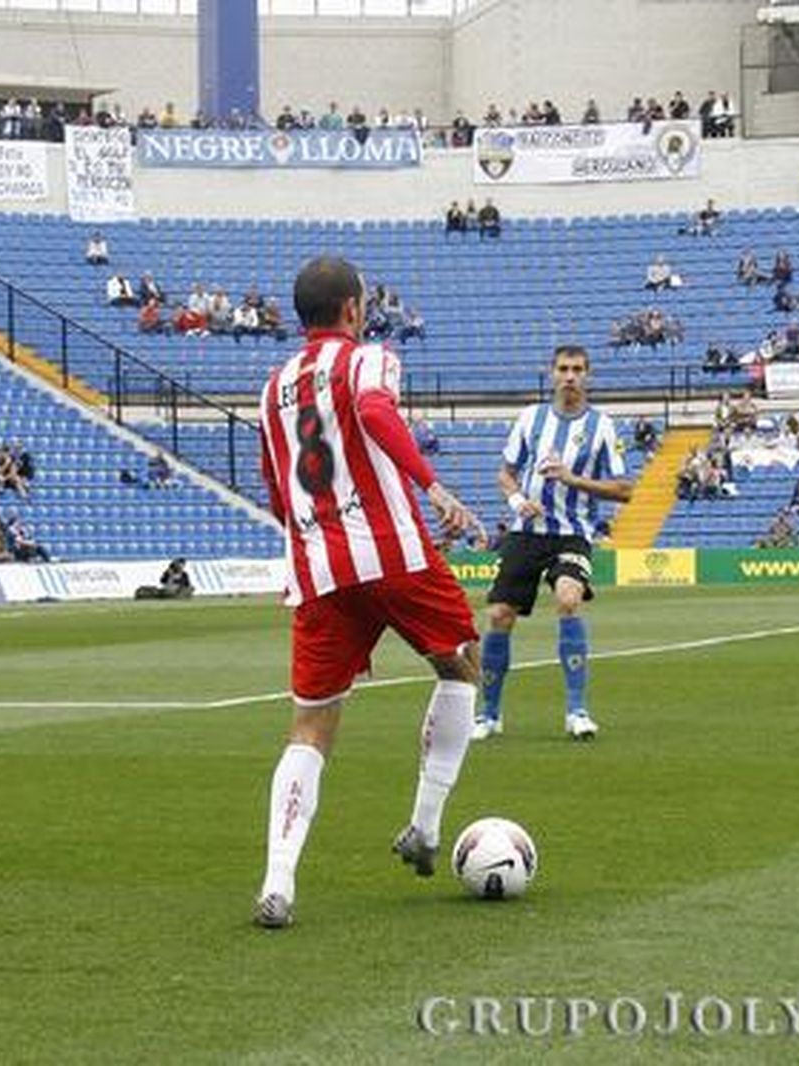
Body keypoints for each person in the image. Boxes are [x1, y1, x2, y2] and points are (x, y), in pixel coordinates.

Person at [251, 257, 482, 929]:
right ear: (354, 309)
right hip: (392, 550)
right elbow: (376, 410)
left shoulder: (271, 390)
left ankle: (278, 882)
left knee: (311, 725)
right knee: (461, 662)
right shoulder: (369, 360)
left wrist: (299, 559)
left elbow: (275, 488)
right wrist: (433, 485)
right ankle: (425, 826)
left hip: (319, 567)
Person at [474, 346, 633, 743]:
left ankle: (577, 711)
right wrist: (515, 501)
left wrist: (571, 478)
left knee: (567, 598)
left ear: (588, 376)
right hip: (526, 532)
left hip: (572, 532)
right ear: (551, 374)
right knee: (498, 615)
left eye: (577, 370)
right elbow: (506, 474)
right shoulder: (531, 418)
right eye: (563, 369)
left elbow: (624, 489)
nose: (570, 376)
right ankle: (489, 715)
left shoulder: (603, 426)